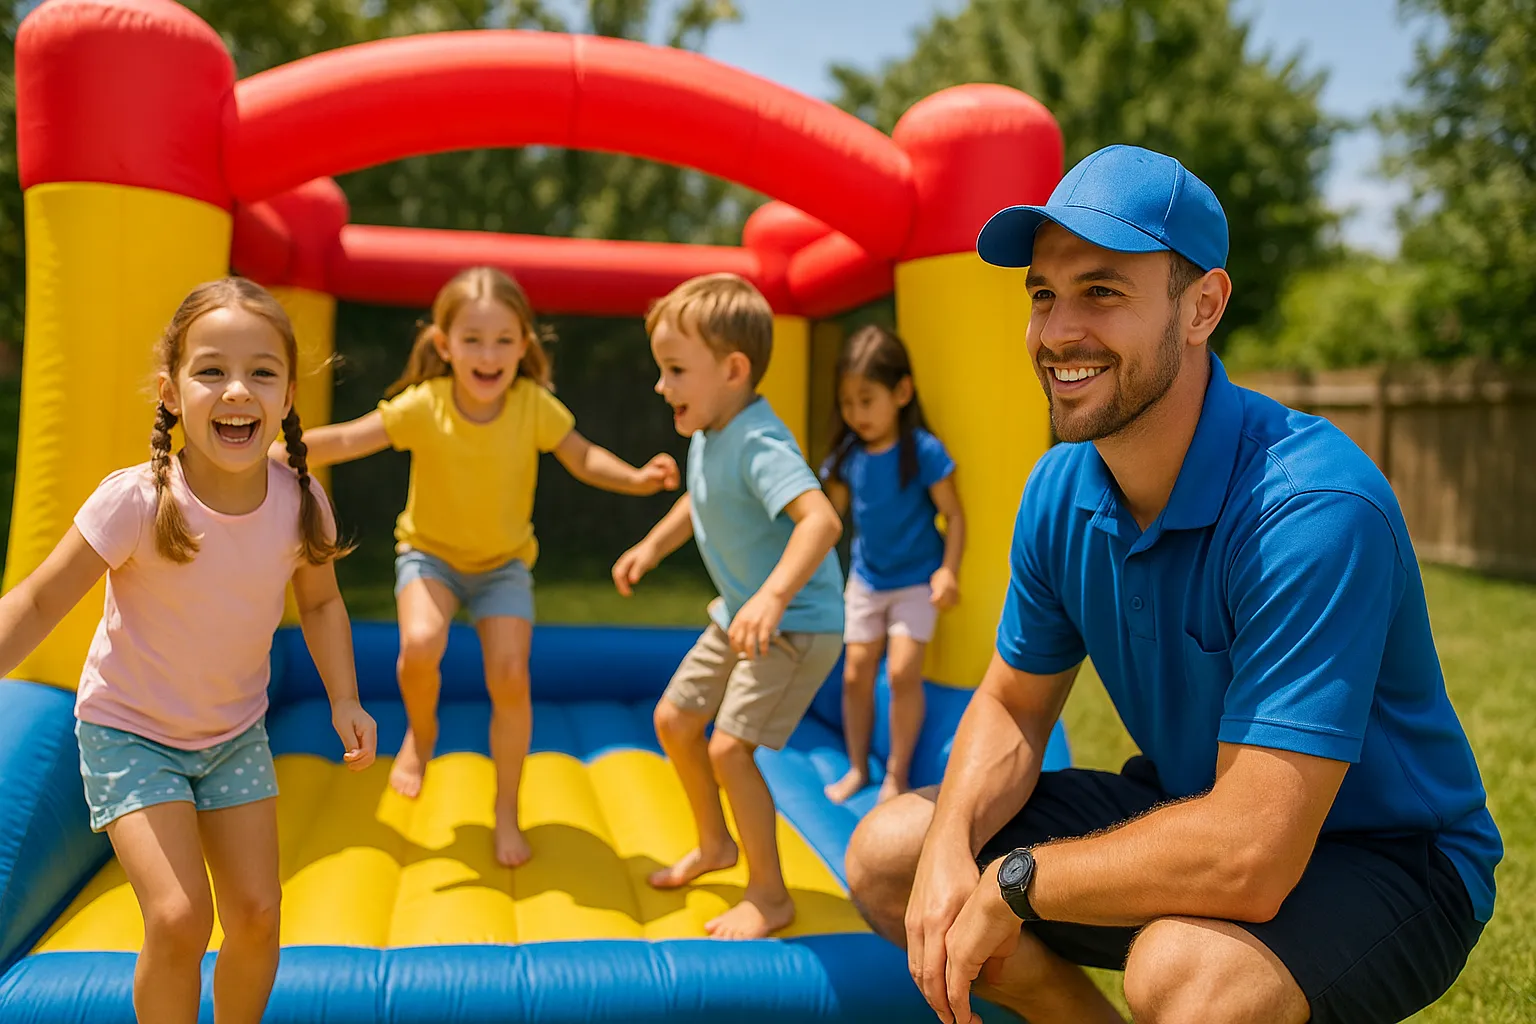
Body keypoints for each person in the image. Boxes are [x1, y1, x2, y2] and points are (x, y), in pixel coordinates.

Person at [843, 145, 1502, 1024]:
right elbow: (1013, 704)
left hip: (1390, 856)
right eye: (1042, 294)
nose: (1057, 331)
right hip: (1196, 805)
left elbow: (1251, 856)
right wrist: (948, 848)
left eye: (1101, 291)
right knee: (892, 852)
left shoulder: (1310, 507)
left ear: (1203, 307)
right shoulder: (1060, 488)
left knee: (1184, 974)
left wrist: (1015, 880)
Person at [0, 278, 378, 1024]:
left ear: (287, 395)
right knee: (178, 917)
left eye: (261, 371)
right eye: (212, 370)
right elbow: (41, 599)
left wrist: (345, 698)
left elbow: (322, 603)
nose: (237, 389)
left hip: (232, 734)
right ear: (171, 393)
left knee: (258, 918)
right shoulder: (138, 501)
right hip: (130, 734)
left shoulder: (300, 502)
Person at [289, 266, 678, 868]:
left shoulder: (532, 406)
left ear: (524, 346)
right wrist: (282, 451)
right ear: (444, 345)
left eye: (503, 340)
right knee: (421, 643)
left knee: (510, 674)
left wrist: (635, 478)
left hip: (503, 567)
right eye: (472, 340)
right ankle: (422, 733)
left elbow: (582, 457)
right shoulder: (427, 405)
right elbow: (347, 440)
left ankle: (506, 810)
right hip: (430, 556)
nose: (489, 355)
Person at [612, 272, 845, 939]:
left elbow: (821, 521)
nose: (662, 386)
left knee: (730, 751)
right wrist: (652, 547)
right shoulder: (714, 431)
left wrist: (773, 597)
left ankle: (770, 896)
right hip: (741, 613)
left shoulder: (759, 441)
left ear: (733, 370)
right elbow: (701, 495)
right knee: (674, 719)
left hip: (794, 623)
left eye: (676, 370)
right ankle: (715, 845)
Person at [818, 325, 965, 806]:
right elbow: (829, 520)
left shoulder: (921, 450)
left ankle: (897, 775)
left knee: (902, 672)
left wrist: (948, 569)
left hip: (916, 581)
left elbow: (954, 515)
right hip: (867, 579)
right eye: (847, 403)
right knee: (855, 672)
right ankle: (858, 766)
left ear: (901, 393)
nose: (855, 414)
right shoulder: (848, 456)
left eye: (866, 400)